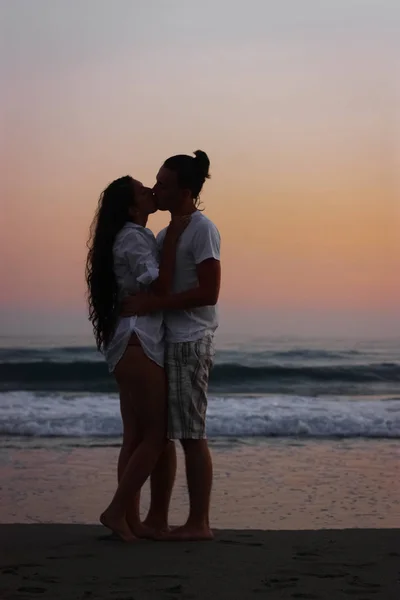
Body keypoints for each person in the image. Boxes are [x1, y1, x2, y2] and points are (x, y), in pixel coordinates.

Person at [121, 150, 221, 540]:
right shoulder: (164, 234)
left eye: (163, 183)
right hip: (166, 341)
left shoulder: (202, 229)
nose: (155, 188)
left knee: (191, 434)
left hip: (191, 340)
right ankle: (156, 519)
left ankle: (199, 523)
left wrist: (153, 304)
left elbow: (210, 292)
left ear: (183, 191)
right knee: (160, 436)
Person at [85, 175, 189, 541]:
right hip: (139, 342)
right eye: (144, 191)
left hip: (125, 345)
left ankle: (128, 522)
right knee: (157, 436)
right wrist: (174, 237)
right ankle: (116, 512)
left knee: (133, 437)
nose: (151, 192)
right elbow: (157, 284)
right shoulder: (135, 236)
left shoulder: (121, 237)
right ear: (133, 208)